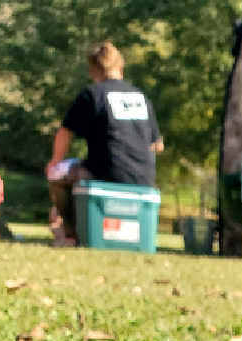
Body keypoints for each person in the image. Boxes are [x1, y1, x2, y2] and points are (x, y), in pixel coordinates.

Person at [45, 42, 163, 245]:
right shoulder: (141, 97)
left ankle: (71, 233)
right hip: (143, 179)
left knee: (55, 173)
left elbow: (65, 133)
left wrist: (55, 160)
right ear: (120, 66)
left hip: (103, 173)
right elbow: (157, 145)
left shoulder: (92, 94)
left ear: (93, 70)